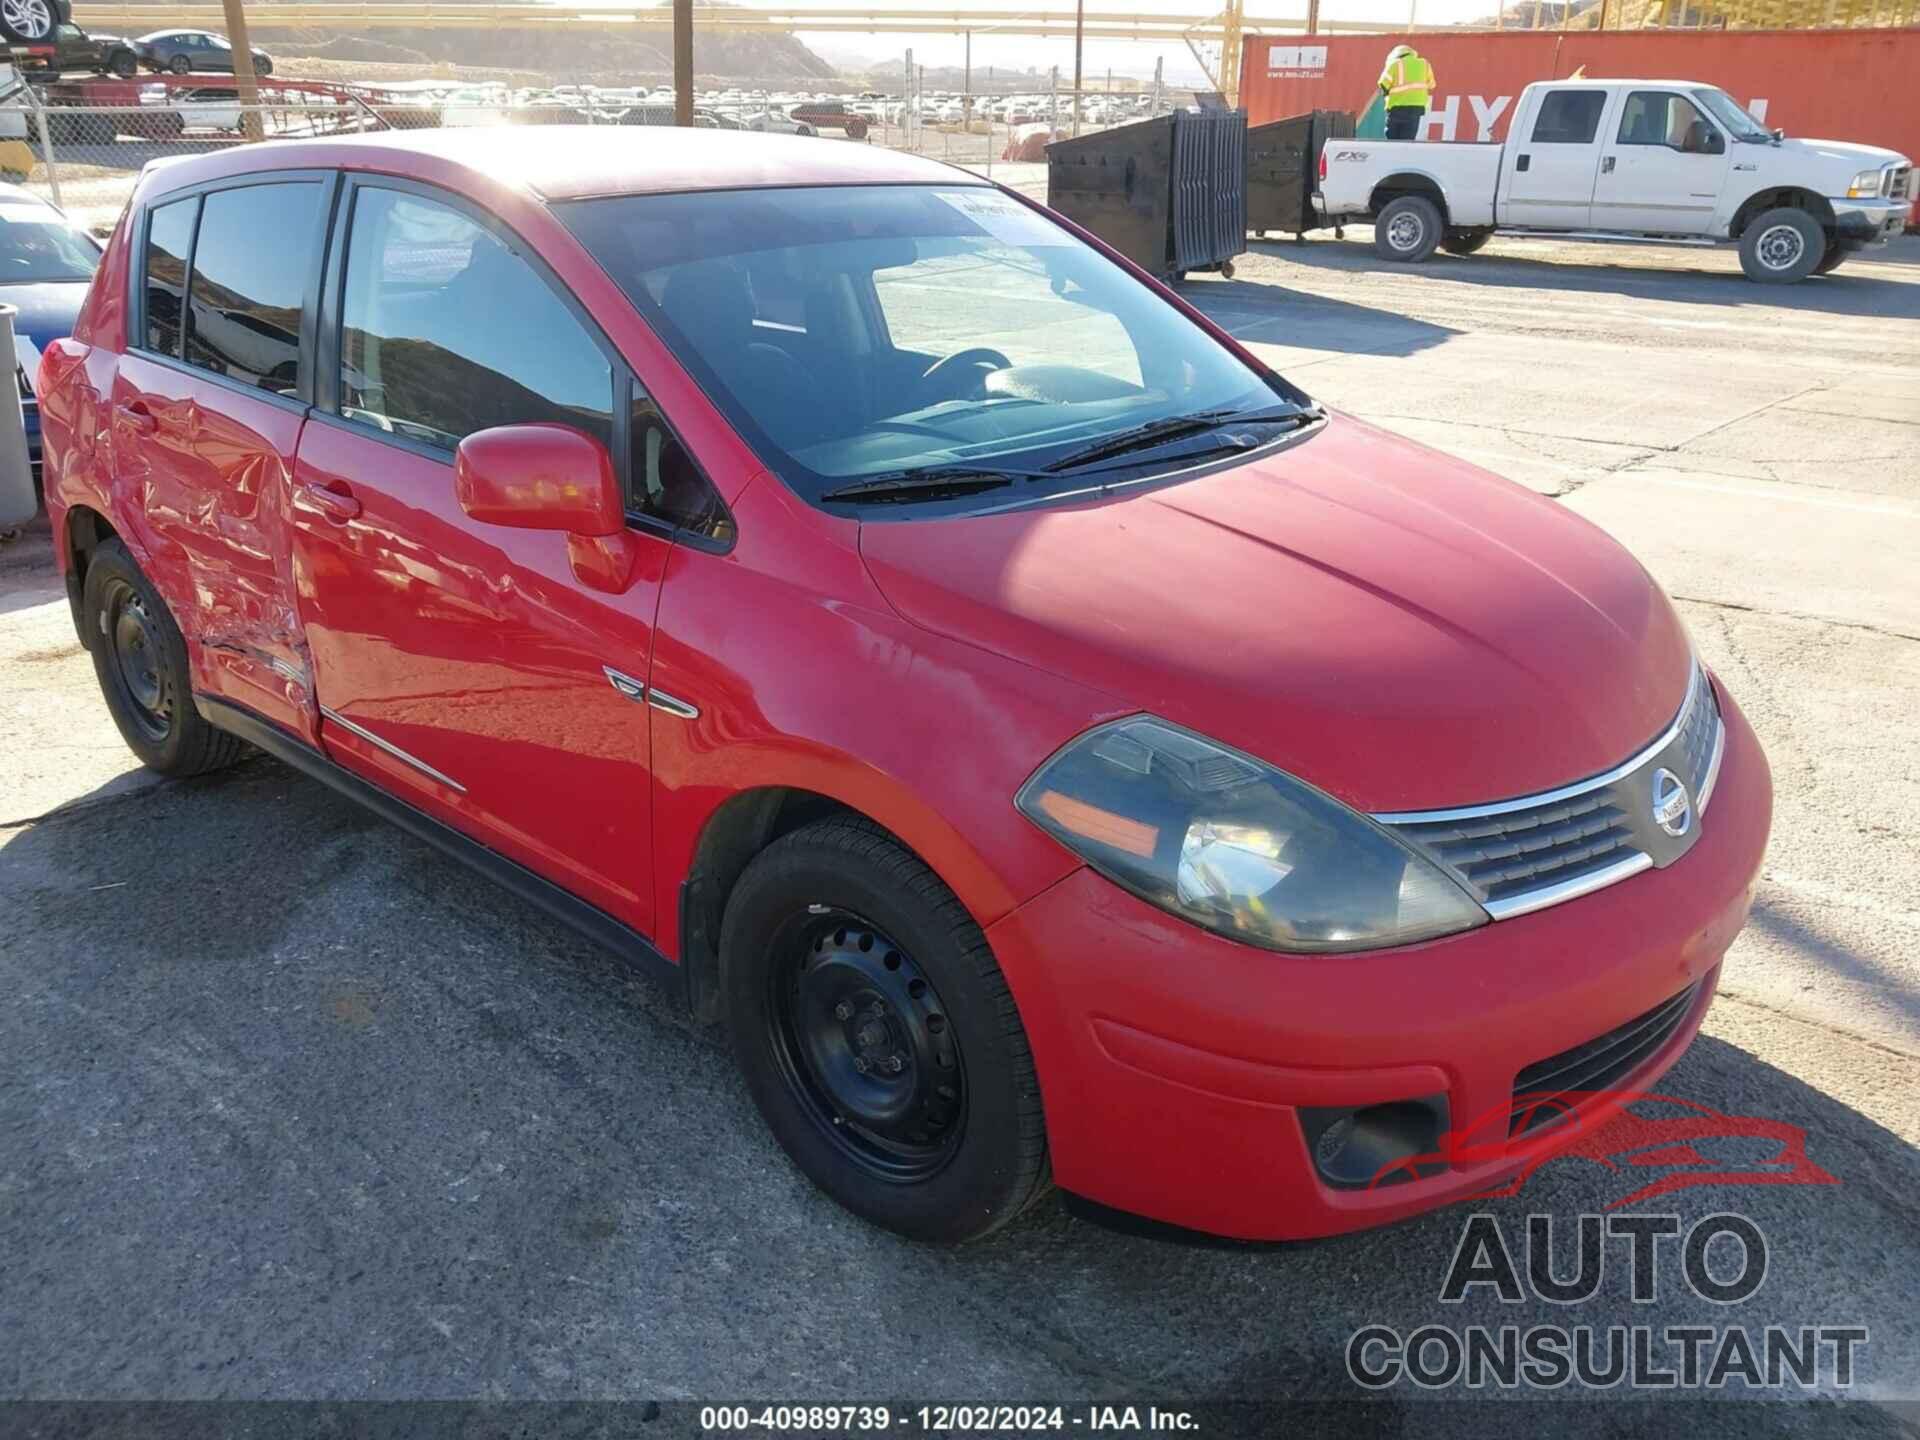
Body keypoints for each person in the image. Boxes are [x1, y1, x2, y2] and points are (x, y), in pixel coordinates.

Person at [1378, 43, 1435, 141]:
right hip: (1416, 108)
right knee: (1408, 140)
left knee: (1392, 140)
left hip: (1397, 108)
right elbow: (1431, 85)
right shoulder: (1424, 64)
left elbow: (1383, 84)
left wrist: (1387, 94)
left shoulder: (1394, 64)